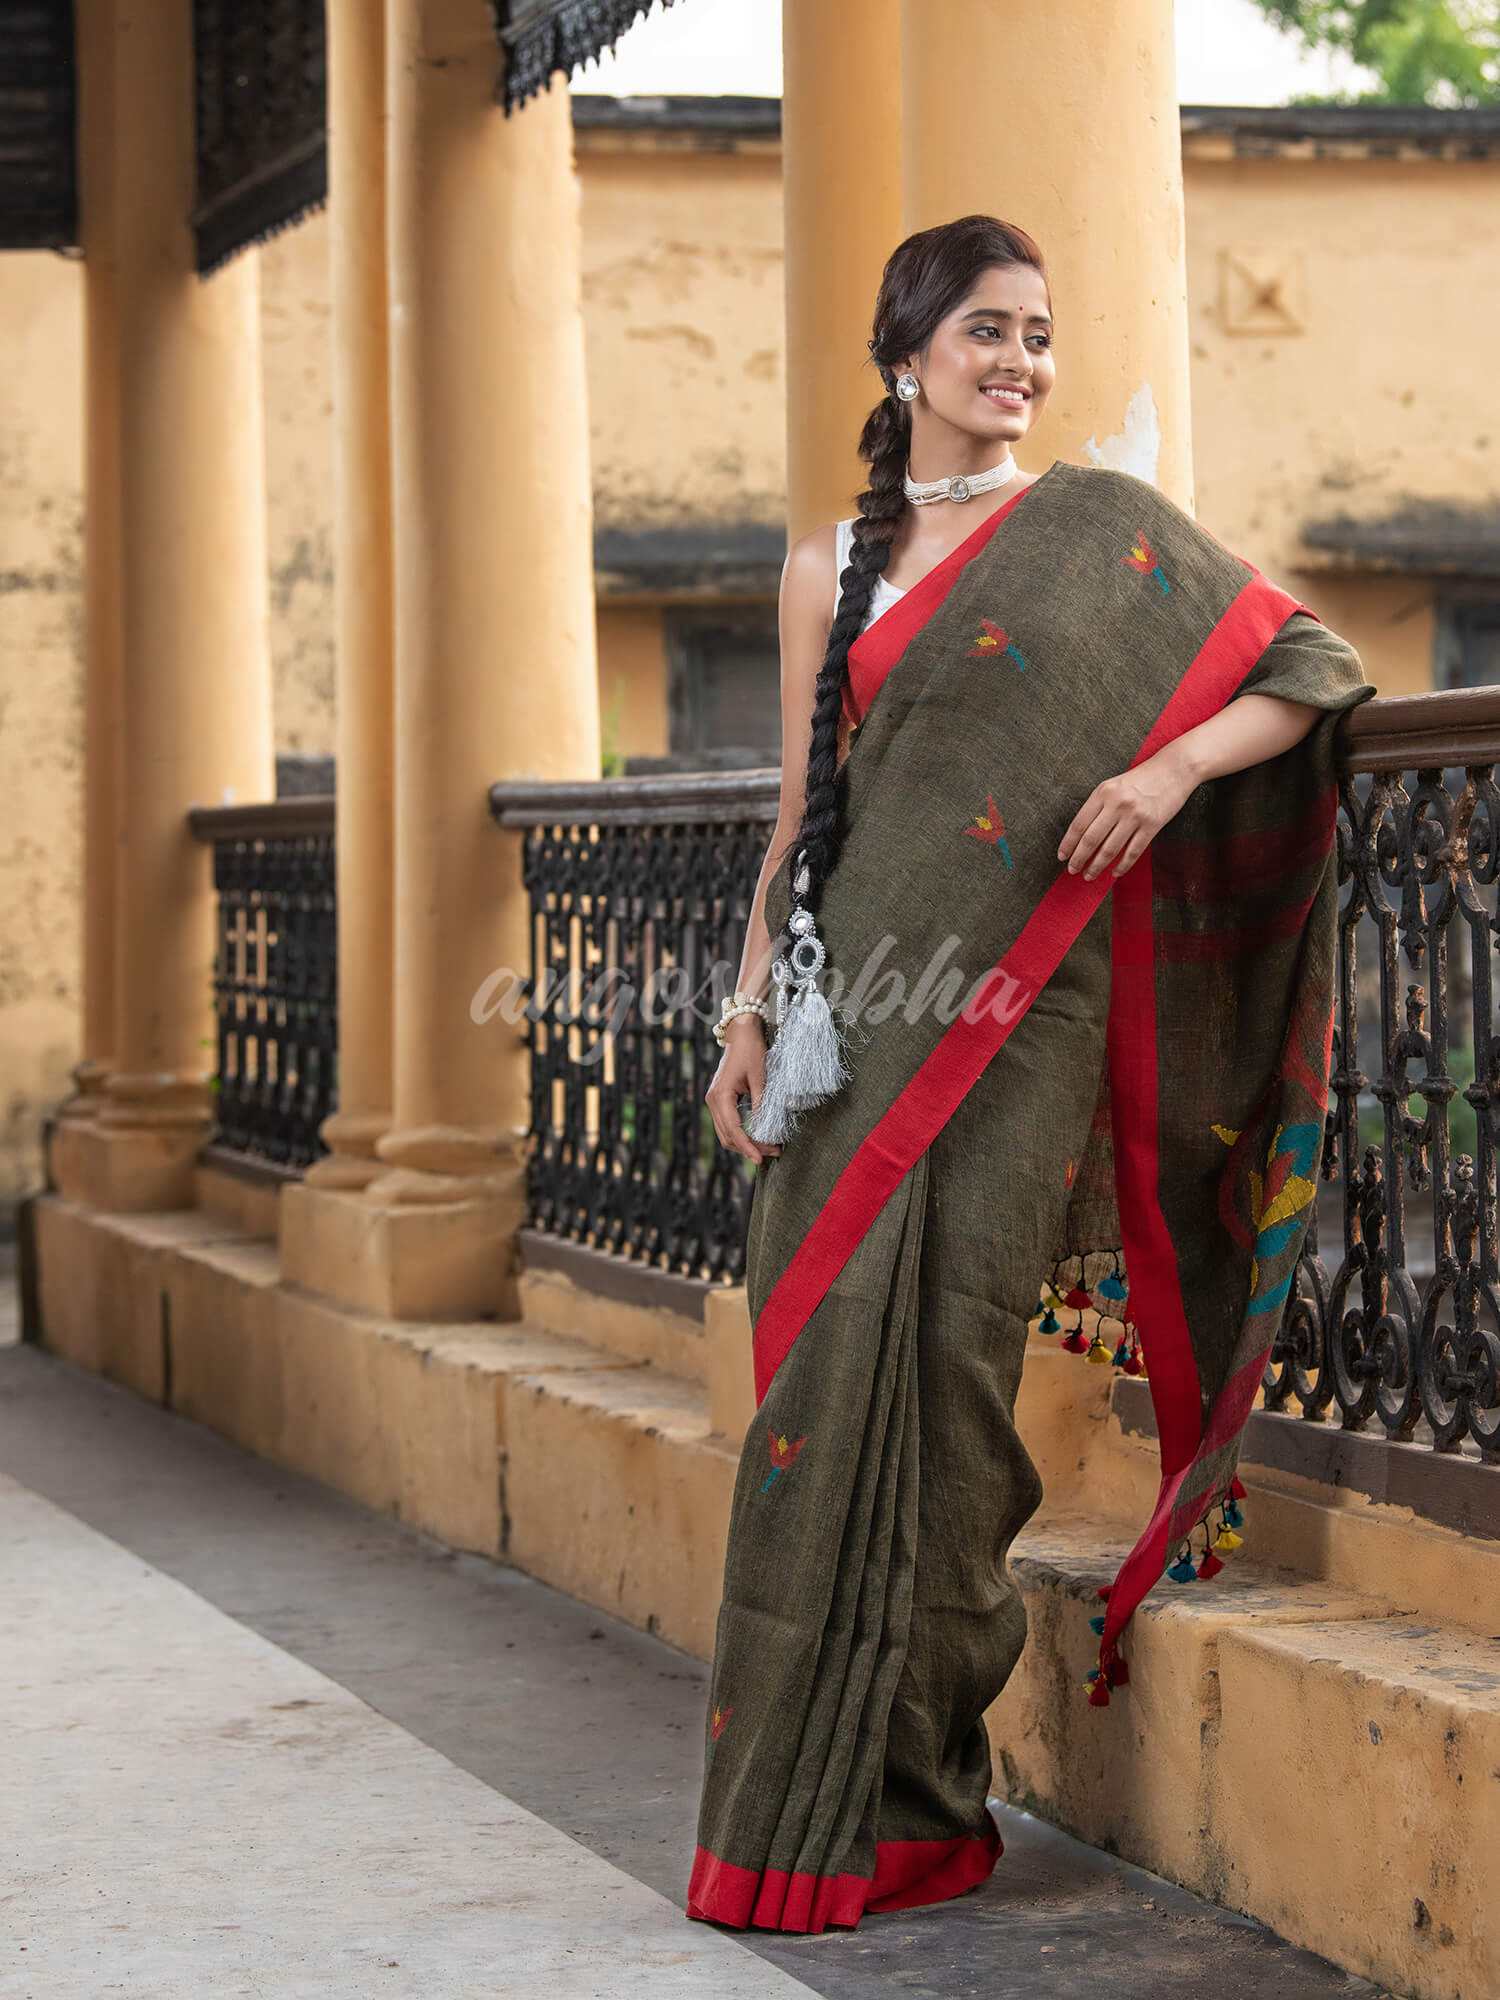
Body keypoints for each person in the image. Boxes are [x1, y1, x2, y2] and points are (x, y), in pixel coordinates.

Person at [693, 215, 1376, 1935]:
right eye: (987, 332)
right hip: (852, 1033)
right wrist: (746, 1014)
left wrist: (1167, 775)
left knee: (953, 1411)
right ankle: (790, 1825)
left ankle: (917, 1812)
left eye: (1040, 336)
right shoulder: (818, 569)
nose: (1020, 364)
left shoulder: (1105, 539)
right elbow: (800, 824)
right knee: (813, 1403)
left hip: (1021, 1032)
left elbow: (1315, 664)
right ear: (905, 354)